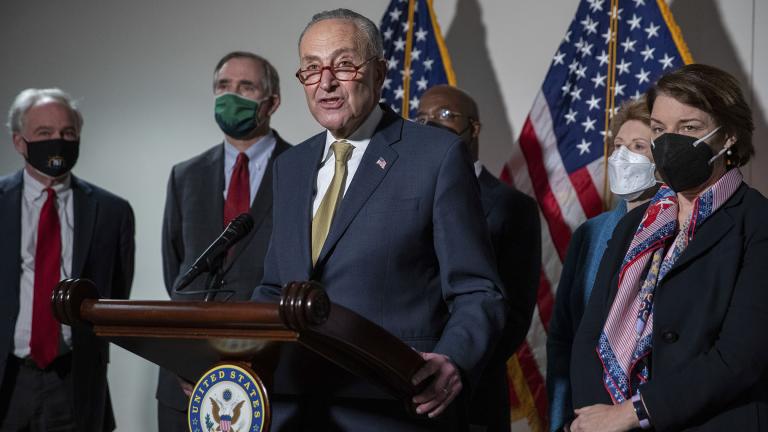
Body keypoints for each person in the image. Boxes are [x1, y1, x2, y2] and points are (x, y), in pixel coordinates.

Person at [252, 8, 507, 431]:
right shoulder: (290, 166)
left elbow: (478, 289)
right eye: (311, 69)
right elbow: (274, 287)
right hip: (296, 408)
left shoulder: (436, 156)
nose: (326, 82)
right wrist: (229, 350)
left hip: (392, 406)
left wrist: (454, 359)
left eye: (344, 65)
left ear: (380, 71)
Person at [570, 63, 768, 432]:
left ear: (727, 136)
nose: (669, 141)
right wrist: (593, 415)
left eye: (688, 128)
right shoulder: (635, 222)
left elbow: (741, 357)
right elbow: (590, 332)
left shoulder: (756, 223)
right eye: (659, 129)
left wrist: (634, 413)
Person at [156, 51, 291, 431]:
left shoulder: (306, 170)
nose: (231, 96)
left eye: (246, 87)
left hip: (271, 378)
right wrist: (189, 357)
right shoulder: (185, 175)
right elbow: (178, 272)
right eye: (223, 87)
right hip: (184, 384)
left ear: (272, 102)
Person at [0, 88, 135, 431]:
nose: (57, 142)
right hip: (8, 378)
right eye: (44, 133)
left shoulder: (112, 212)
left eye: (67, 133)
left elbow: (116, 298)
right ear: (19, 141)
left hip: (74, 381)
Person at [415, 84, 541, 432]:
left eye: (444, 115)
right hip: (401, 385)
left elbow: (514, 314)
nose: (431, 125)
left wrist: (455, 363)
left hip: (470, 392)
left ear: (474, 128)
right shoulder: (402, 196)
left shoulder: (514, 207)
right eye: (421, 117)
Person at [546, 98, 658, 432]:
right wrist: (562, 418)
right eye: (618, 145)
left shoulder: (680, 230)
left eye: (638, 146)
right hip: (586, 412)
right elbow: (562, 335)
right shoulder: (590, 234)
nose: (623, 156)